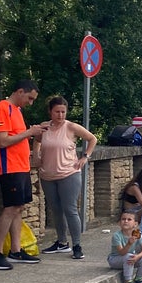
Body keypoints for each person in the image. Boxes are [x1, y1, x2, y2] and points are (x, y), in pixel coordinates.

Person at [0, 78, 45, 271]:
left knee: (18, 207)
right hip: (8, 167)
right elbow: (2, 141)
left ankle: (16, 250)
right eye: (29, 98)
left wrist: (33, 133)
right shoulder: (2, 108)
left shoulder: (17, 111)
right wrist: (29, 132)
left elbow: (17, 138)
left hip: (20, 166)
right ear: (20, 91)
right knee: (10, 208)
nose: (30, 103)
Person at [35, 96, 97, 259]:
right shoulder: (44, 127)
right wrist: (36, 155)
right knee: (55, 209)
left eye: (63, 112)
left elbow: (92, 138)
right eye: (57, 112)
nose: (60, 115)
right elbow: (37, 139)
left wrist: (85, 156)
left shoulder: (71, 127)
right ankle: (62, 242)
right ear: (50, 111)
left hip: (69, 172)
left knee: (70, 209)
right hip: (48, 174)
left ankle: (77, 245)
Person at [108, 211, 142, 283]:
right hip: (115, 259)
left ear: (135, 224)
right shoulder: (117, 235)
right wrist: (129, 244)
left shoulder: (137, 233)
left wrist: (138, 256)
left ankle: (138, 279)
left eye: (129, 219)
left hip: (129, 257)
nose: (126, 221)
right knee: (129, 256)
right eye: (123, 219)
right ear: (119, 223)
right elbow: (121, 253)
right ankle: (127, 282)